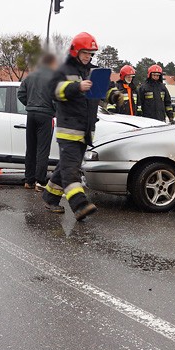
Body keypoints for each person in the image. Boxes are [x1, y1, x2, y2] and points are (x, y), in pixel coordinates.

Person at [42, 32, 119, 221]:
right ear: (76, 51)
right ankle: (80, 205)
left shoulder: (93, 71)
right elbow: (54, 91)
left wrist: (114, 95)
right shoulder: (63, 69)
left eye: (91, 53)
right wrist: (76, 87)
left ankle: (50, 197)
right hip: (69, 130)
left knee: (65, 167)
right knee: (71, 170)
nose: (88, 56)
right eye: (85, 52)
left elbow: (102, 91)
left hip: (85, 130)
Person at [17, 53, 58, 190]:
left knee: (31, 149)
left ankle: (29, 181)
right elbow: (55, 98)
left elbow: (20, 94)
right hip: (45, 116)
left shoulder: (31, 76)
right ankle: (40, 181)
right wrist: (55, 111)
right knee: (42, 150)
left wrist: (30, 104)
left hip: (31, 115)